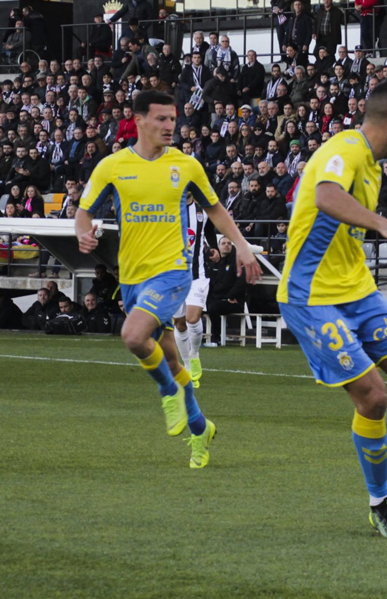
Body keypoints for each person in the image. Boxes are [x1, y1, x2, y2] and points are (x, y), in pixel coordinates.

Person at [277, 81, 387, 539]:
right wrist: (385, 224)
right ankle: (378, 503)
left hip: (358, 291)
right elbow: (326, 196)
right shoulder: (344, 148)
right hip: (312, 297)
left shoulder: (373, 166)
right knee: (372, 395)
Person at [75, 91, 263, 469]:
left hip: (173, 271)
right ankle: (200, 428)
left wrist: (241, 245)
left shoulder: (186, 165)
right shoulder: (112, 166)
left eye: (173, 119)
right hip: (131, 275)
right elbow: (83, 211)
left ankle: (167, 393)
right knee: (173, 359)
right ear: (138, 120)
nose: (169, 126)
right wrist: (83, 233)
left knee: (132, 335)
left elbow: (216, 208)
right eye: (161, 119)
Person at [173, 198, 216, 389]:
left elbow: (208, 230)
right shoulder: (168, 209)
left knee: (192, 318)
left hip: (198, 274)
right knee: (180, 324)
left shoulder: (202, 210)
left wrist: (213, 248)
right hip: (174, 277)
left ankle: (195, 354)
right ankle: (188, 366)